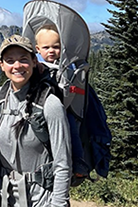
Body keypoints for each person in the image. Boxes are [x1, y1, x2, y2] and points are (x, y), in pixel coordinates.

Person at [0, 35, 71, 207]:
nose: (17, 66)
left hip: (43, 198)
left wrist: (59, 204)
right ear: (2, 65)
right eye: (10, 60)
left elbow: (63, 163)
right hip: (4, 195)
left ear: (34, 61)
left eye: (23, 59)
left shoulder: (50, 104)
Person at [34, 25, 88, 180]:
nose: (51, 51)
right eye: (46, 47)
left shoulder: (65, 64)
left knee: (71, 129)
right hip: (37, 106)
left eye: (56, 47)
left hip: (62, 108)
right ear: (38, 49)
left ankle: (78, 162)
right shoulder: (34, 64)